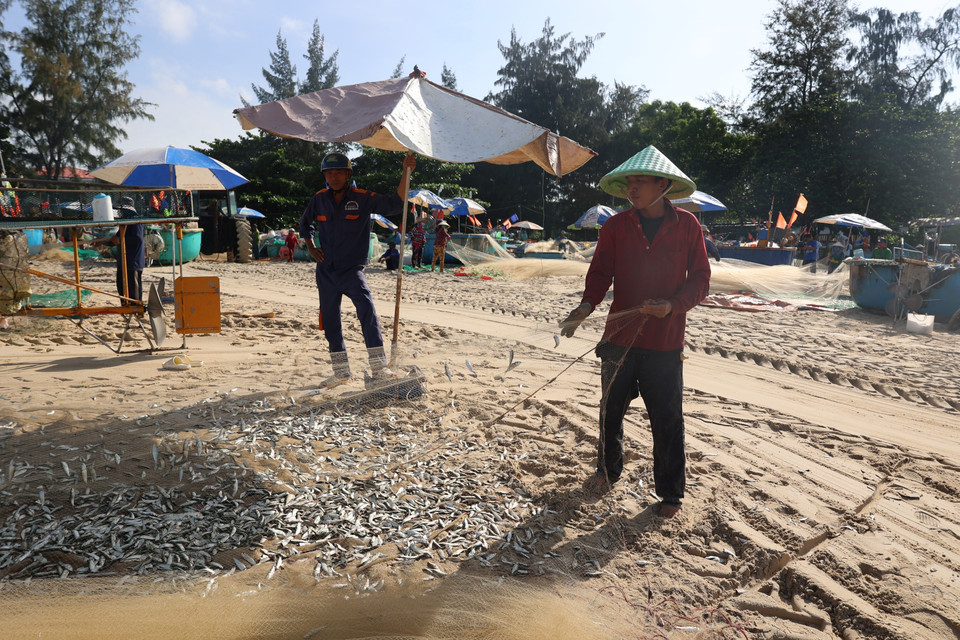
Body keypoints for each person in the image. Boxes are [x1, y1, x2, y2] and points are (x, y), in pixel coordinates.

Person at [558, 145, 710, 519]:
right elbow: (599, 276)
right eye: (629, 182)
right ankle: (608, 472)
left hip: (665, 342)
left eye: (641, 181)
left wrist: (673, 306)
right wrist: (585, 306)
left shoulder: (688, 227)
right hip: (618, 339)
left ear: (663, 185)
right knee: (610, 410)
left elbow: (702, 281)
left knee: (668, 418)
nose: (633, 188)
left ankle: (671, 494)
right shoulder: (615, 226)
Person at [300, 151, 416, 386]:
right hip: (326, 271)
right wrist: (311, 247)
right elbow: (305, 224)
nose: (333, 177)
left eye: (338, 172)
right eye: (329, 173)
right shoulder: (319, 198)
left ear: (348, 174)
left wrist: (407, 171)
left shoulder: (363, 198)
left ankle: (379, 367)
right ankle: (341, 372)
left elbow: (396, 203)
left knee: (368, 312)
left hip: (352, 271)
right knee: (331, 320)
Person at [112, 196, 145, 303]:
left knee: (133, 289)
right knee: (122, 286)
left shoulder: (136, 220)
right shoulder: (125, 222)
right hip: (123, 261)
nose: (120, 212)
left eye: (121, 210)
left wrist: (121, 240)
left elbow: (137, 238)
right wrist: (103, 242)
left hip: (133, 261)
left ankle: (135, 307)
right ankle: (126, 307)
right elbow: (116, 238)